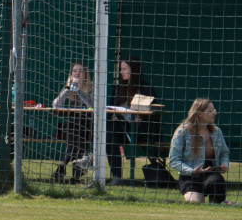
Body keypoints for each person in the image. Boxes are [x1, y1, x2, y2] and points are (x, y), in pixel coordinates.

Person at [168, 98, 230, 204]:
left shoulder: (217, 132)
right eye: (210, 111)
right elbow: (173, 160)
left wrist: (224, 163)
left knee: (216, 182)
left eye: (214, 110)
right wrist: (191, 171)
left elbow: (225, 152)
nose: (215, 113)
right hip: (189, 175)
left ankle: (218, 204)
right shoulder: (182, 132)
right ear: (200, 114)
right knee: (196, 202)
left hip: (211, 173)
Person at [106, 57, 156, 185]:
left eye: (124, 69)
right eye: (120, 69)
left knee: (111, 131)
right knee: (110, 131)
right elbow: (111, 110)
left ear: (133, 70)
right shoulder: (118, 89)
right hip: (121, 129)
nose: (121, 72)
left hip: (140, 130)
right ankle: (117, 176)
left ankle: (92, 158)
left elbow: (149, 113)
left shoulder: (145, 88)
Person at [50, 62, 95, 184]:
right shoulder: (68, 88)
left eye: (80, 70)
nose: (77, 73)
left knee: (77, 140)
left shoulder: (91, 88)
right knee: (73, 138)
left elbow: (92, 105)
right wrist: (67, 89)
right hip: (73, 123)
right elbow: (56, 105)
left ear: (85, 74)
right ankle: (74, 174)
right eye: (75, 71)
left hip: (88, 123)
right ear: (71, 74)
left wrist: (79, 91)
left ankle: (62, 169)